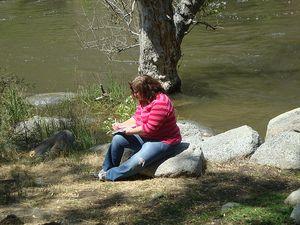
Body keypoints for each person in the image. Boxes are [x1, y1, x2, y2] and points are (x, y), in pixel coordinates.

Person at [96, 75, 181, 181]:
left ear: (146, 90)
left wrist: (130, 131)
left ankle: (109, 175)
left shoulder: (161, 103)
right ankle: (106, 169)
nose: (134, 95)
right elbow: (137, 118)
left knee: (137, 161)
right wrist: (121, 125)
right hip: (147, 136)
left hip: (163, 141)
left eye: (136, 92)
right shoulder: (145, 99)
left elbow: (150, 128)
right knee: (118, 138)